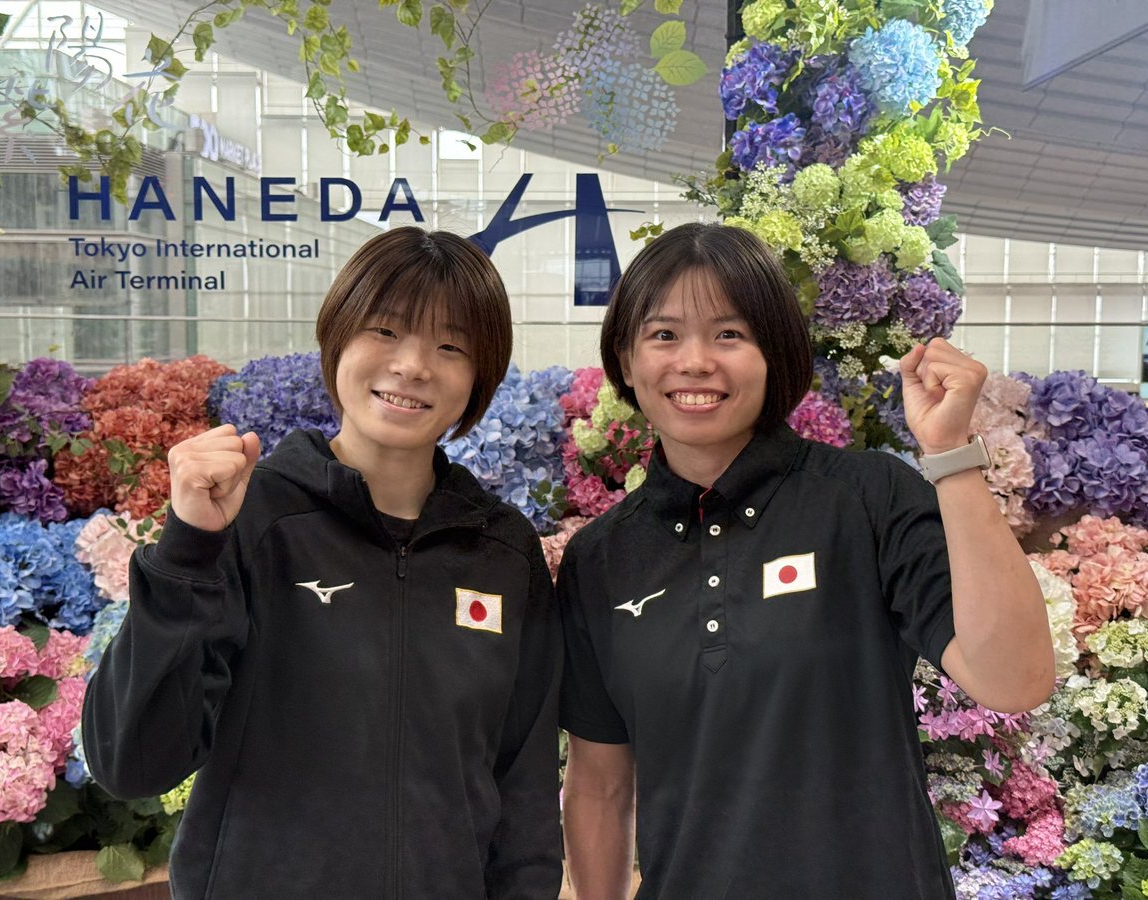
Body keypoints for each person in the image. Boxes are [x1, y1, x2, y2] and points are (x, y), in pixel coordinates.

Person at [557, 222, 1055, 899]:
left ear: (775, 352)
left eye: (729, 334)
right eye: (664, 334)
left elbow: (1015, 679)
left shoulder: (867, 498)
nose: (694, 362)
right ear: (625, 357)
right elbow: (600, 785)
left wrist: (951, 457)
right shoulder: (602, 558)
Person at [82, 227, 563, 899]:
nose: (413, 366)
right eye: (385, 330)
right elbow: (132, 761)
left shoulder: (503, 552)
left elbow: (525, 788)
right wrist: (187, 549)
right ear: (337, 336)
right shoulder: (250, 519)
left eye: (451, 346)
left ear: (481, 376)